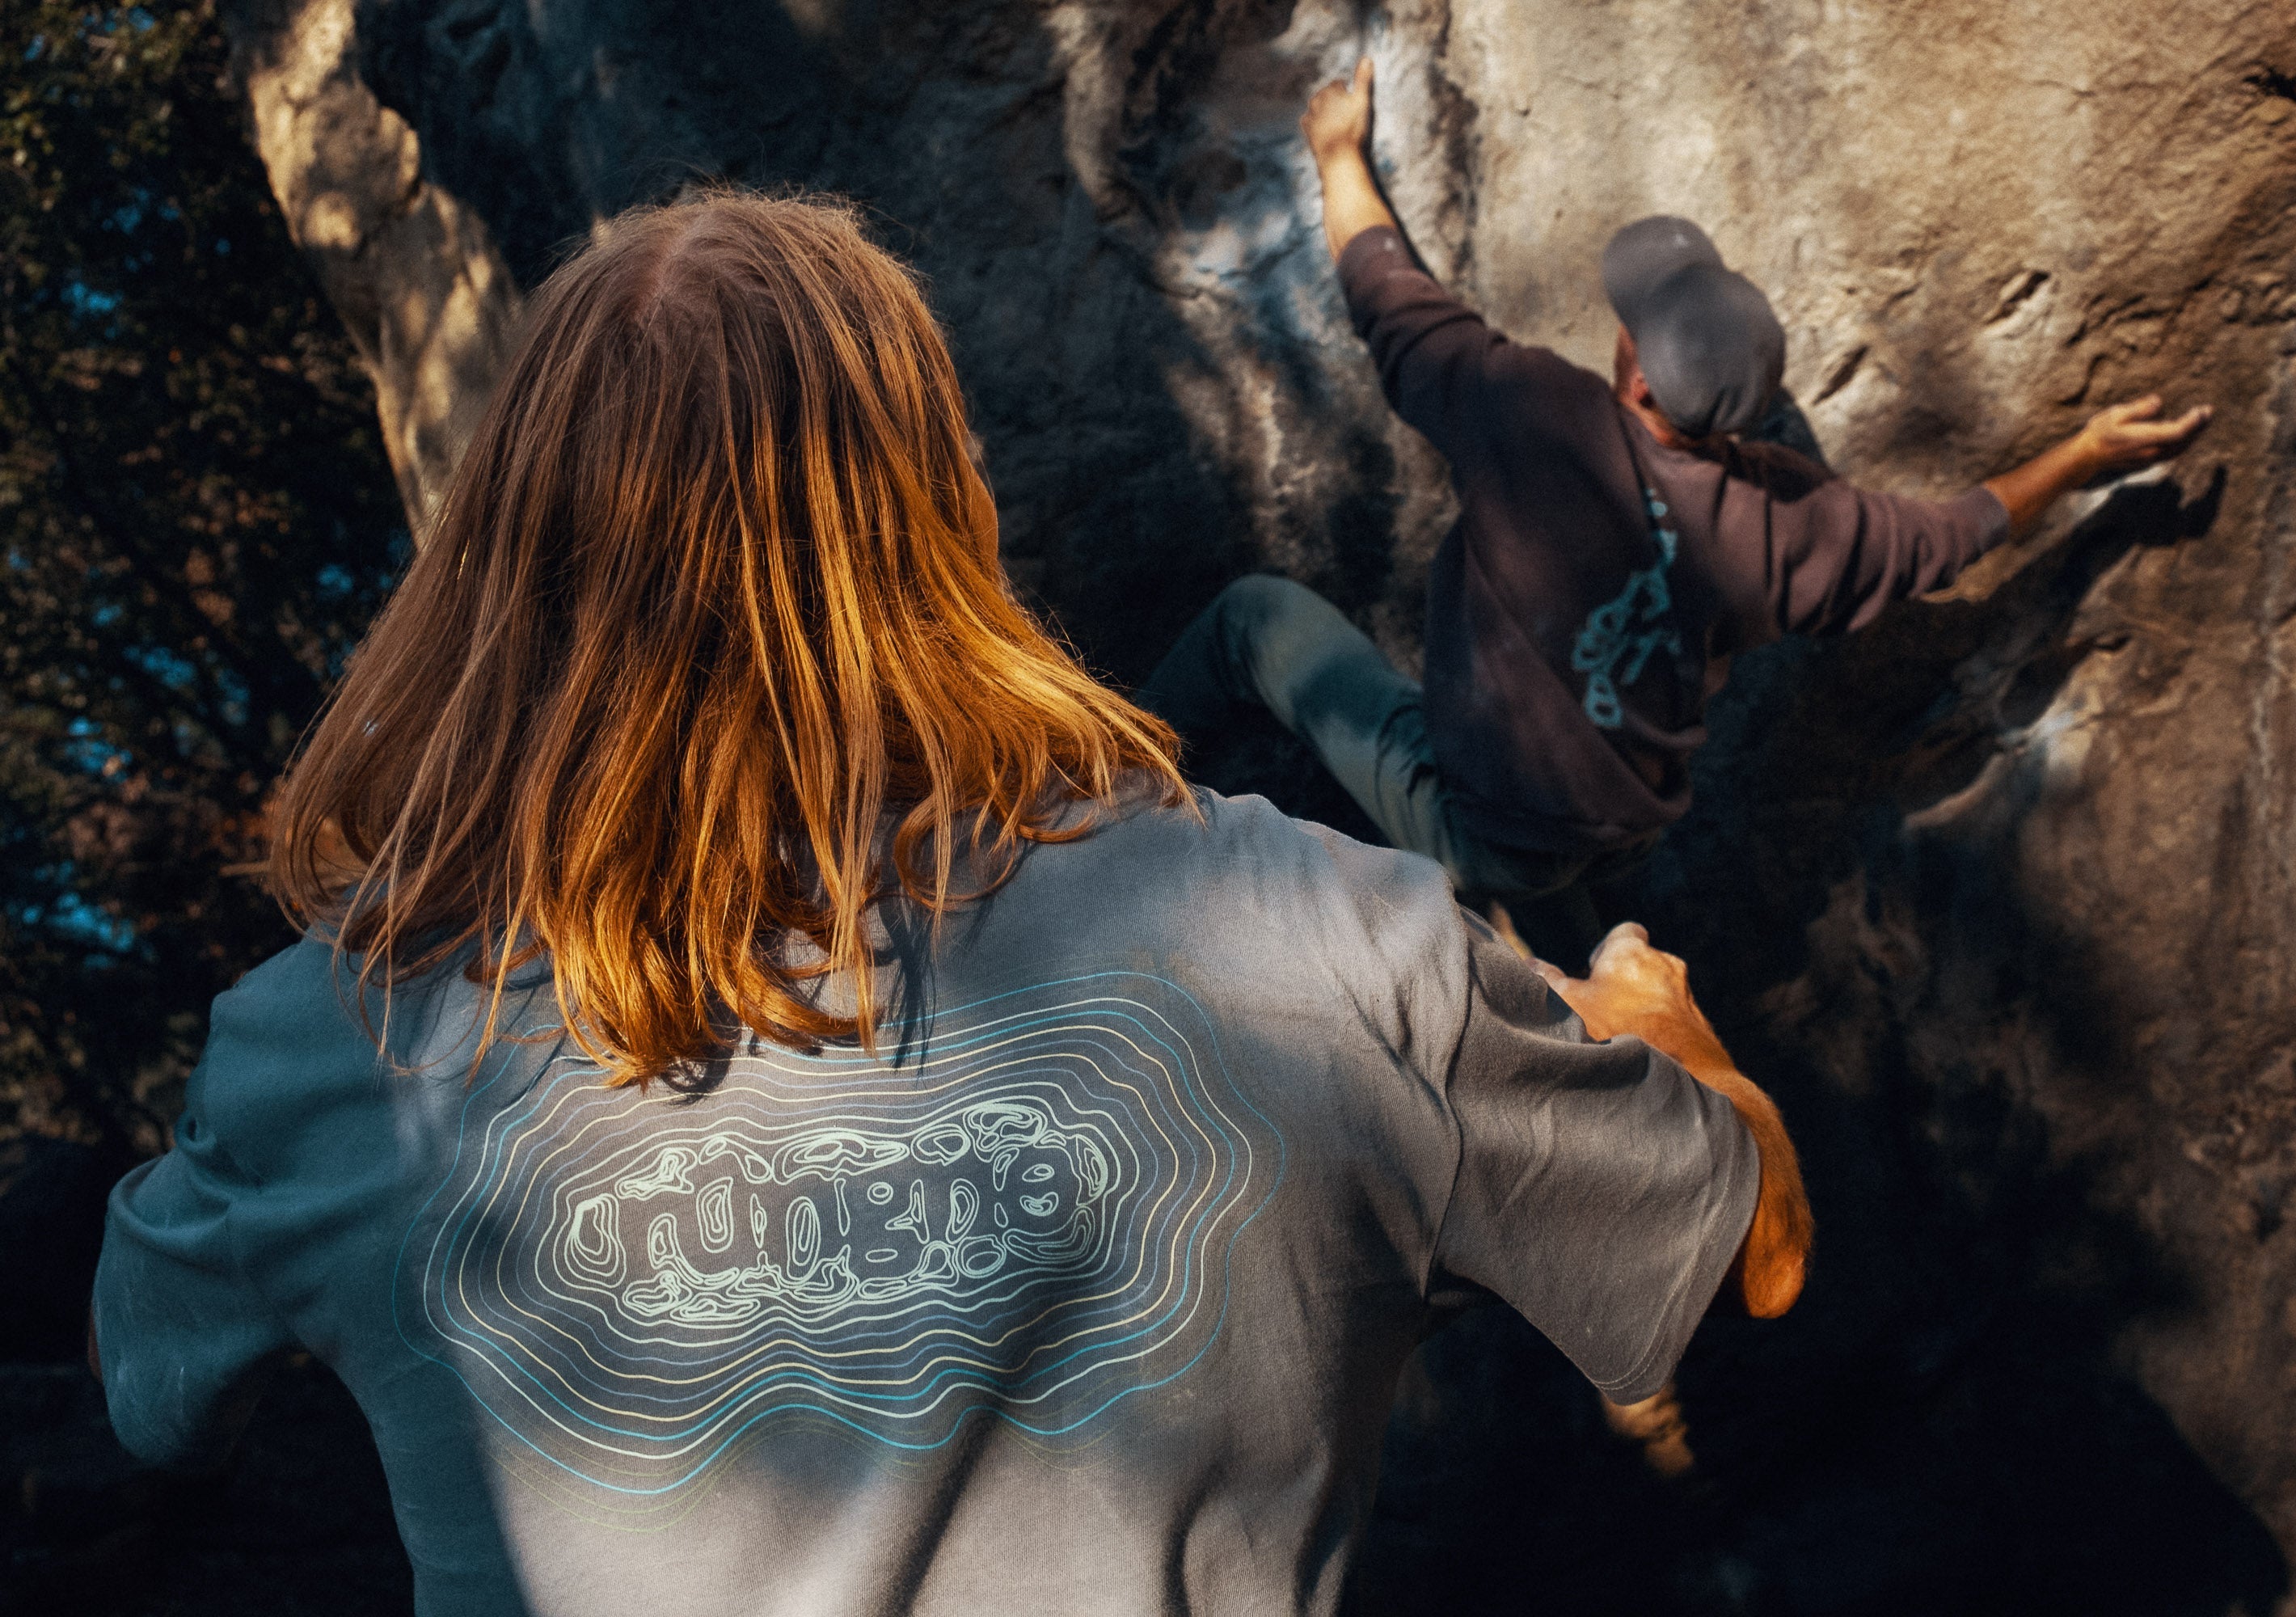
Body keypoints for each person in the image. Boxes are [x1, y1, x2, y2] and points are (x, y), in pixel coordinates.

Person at [89, 191, 1810, 1617]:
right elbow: (1750, 1252)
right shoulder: (1336, 944)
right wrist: (1669, 1040)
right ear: (945, 507)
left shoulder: (335, 1051)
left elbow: (149, 1387)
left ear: (507, 558)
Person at [1141, 59, 2213, 969]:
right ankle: (1574, 968)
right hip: (1619, 832)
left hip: (1482, 816)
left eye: (1630, 321)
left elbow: (1393, 304)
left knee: (1253, 620)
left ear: (1640, 377)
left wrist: (1337, 154)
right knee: (1561, 896)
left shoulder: (1541, 423)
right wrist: (2081, 456)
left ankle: (1081, 781)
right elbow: (1949, 537)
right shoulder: (1785, 523)